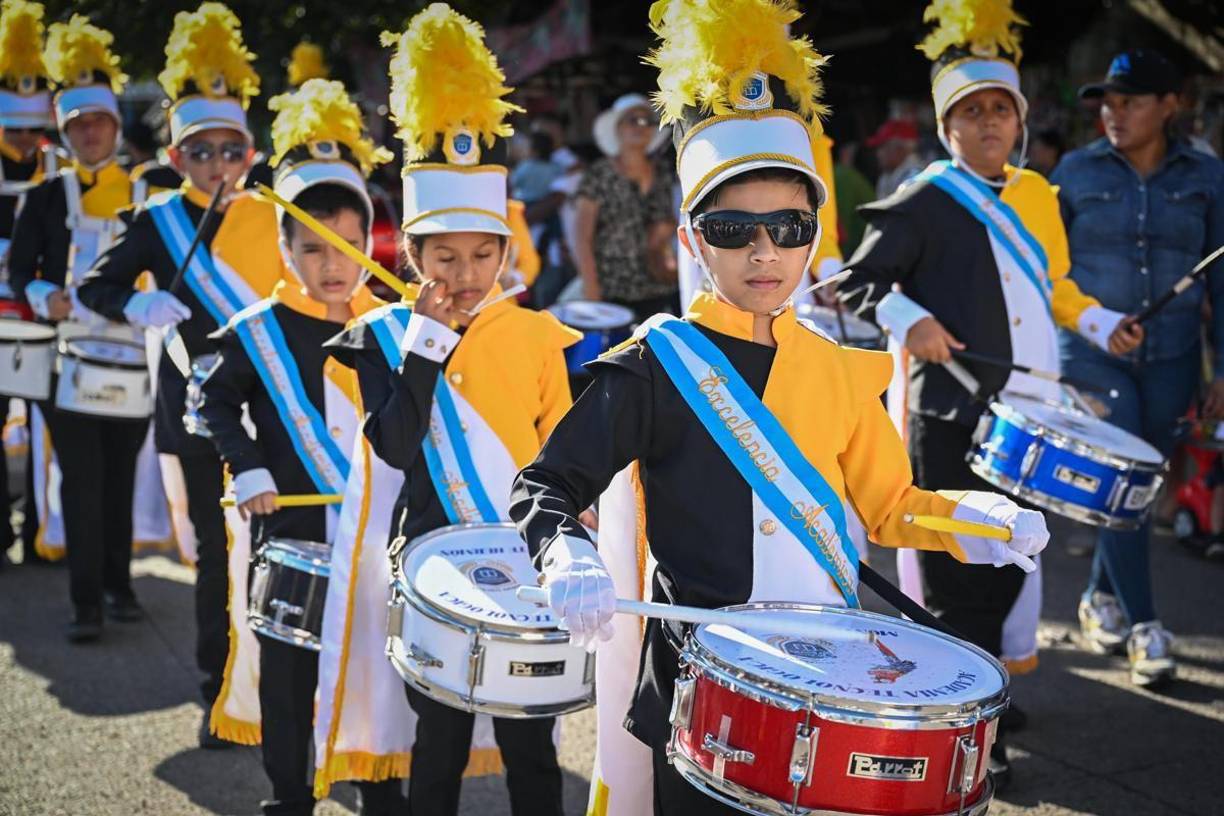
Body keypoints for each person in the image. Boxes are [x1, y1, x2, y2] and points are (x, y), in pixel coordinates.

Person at [509, 2, 1050, 813]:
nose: (764, 252)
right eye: (733, 227)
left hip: (825, 675)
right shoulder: (656, 364)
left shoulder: (838, 369)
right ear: (692, 240)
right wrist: (563, 553)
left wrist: (985, 517)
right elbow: (545, 483)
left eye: (789, 227)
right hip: (700, 687)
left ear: (813, 237)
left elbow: (892, 508)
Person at [839, 0, 1125, 783]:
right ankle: (968, 738)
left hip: (1029, 415)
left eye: (1001, 109)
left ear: (1020, 121)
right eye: (972, 111)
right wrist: (914, 320)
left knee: (1009, 564)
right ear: (947, 126)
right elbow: (856, 282)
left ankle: (984, 694)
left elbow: (1054, 287)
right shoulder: (923, 198)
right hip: (953, 416)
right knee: (962, 574)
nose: (989, 123)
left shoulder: (1036, 194)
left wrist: (1102, 324)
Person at [348, 8, 581, 814]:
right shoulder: (382, 337)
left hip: (525, 559)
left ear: (506, 252)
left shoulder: (539, 333)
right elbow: (394, 444)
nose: (467, 272)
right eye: (443, 255)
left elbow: (559, 445)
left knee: (532, 744)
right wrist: (425, 346)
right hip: (433, 559)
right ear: (412, 256)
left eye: (484, 254)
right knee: (439, 740)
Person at [198, 78, 405, 816]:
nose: (331, 265)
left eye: (345, 246)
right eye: (311, 248)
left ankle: (381, 788)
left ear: (369, 243)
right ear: (285, 249)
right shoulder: (256, 329)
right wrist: (248, 462)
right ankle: (290, 796)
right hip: (291, 527)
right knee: (289, 681)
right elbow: (211, 401)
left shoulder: (395, 326)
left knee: (380, 671)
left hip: (378, 537)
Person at [77, 1, 280, 747]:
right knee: (217, 553)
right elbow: (96, 287)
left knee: (281, 545)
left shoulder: (278, 213)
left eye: (231, 150)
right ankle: (217, 686)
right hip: (199, 407)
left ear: (250, 153)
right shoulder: (158, 219)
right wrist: (140, 303)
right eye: (201, 151)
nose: (218, 165)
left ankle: (285, 685)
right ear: (176, 154)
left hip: (279, 403)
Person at [1051, 48, 1224, 687]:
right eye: (1108, 102)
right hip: (1092, 357)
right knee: (1122, 477)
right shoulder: (1073, 171)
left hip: (1175, 357)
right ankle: (1146, 626)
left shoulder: (1208, 177)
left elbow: (1222, 282)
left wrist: (1222, 369)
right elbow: (1048, 272)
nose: (1113, 113)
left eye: (1130, 101)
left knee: (1141, 491)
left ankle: (1099, 596)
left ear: (1170, 104)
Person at [9, 15, 163, 641]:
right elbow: (20, 270)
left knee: (121, 477)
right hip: (68, 363)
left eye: (99, 122)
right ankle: (86, 603)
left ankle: (119, 585)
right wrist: (43, 295)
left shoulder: (151, 191)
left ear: (116, 128)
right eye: (78, 124)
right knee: (80, 481)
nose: (90, 133)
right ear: (65, 131)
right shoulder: (45, 196)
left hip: (136, 359)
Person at [0, 0, 58, 570]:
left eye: (33, 128)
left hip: (43, 318)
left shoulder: (56, 167)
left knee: (46, 432)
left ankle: (43, 533)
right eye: (13, 128)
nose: (24, 139)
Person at [576, 92, 678, 319]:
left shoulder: (663, 172)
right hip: (612, 288)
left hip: (660, 284)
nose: (641, 127)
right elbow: (582, 236)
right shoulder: (599, 174)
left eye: (647, 121)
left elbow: (671, 217)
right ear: (618, 128)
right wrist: (591, 286)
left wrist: (665, 229)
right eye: (633, 120)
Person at [867, 118, 923, 199]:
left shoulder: (916, 175)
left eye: (883, 147)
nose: (879, 153)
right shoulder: (887, 175)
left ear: (900, 149)